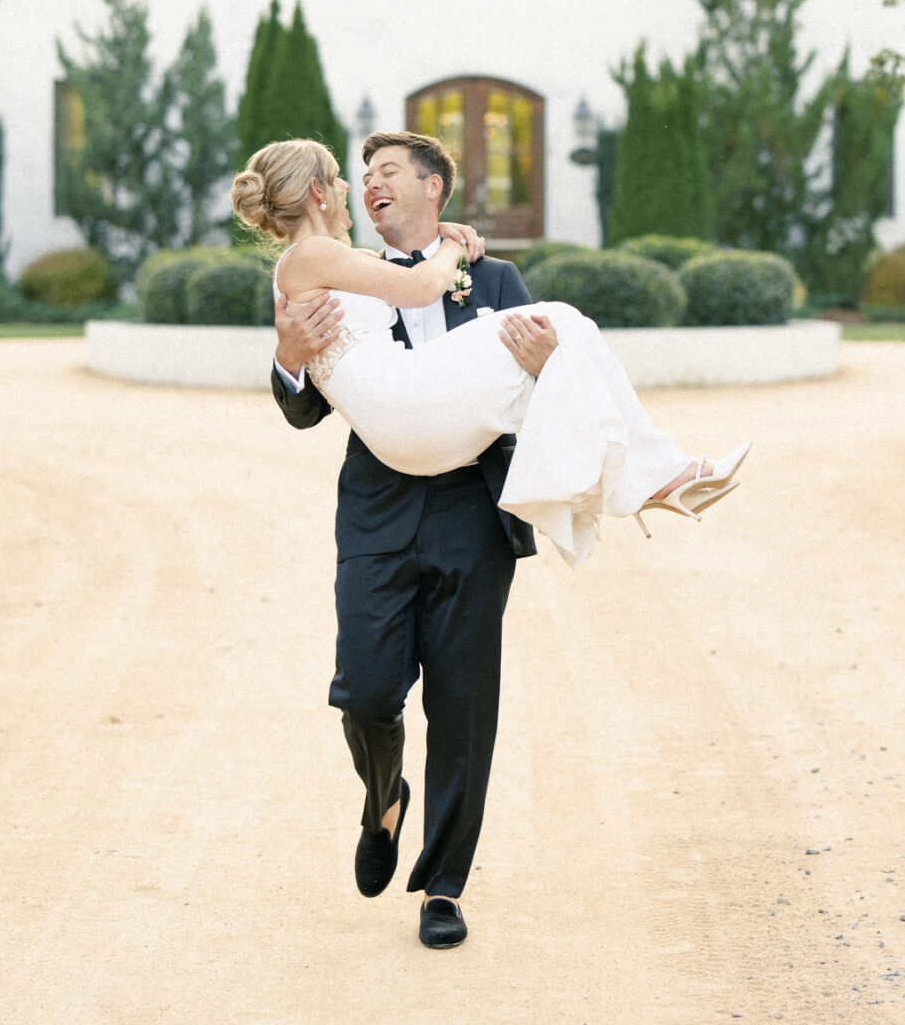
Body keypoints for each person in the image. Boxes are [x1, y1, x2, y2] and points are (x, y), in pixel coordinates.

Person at [254, 132, 746, 951]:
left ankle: (442, 886)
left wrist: (552, 360)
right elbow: (308, 405)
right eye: (359, 175)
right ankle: (382, 799)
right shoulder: (345, 273)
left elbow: (539, 388)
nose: (368, 185)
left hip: (471, 515)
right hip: (379, 512)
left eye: (386, 173)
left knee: (462, 705)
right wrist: (286, 356)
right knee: (367, 691)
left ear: (433, 188)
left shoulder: (496, 281)